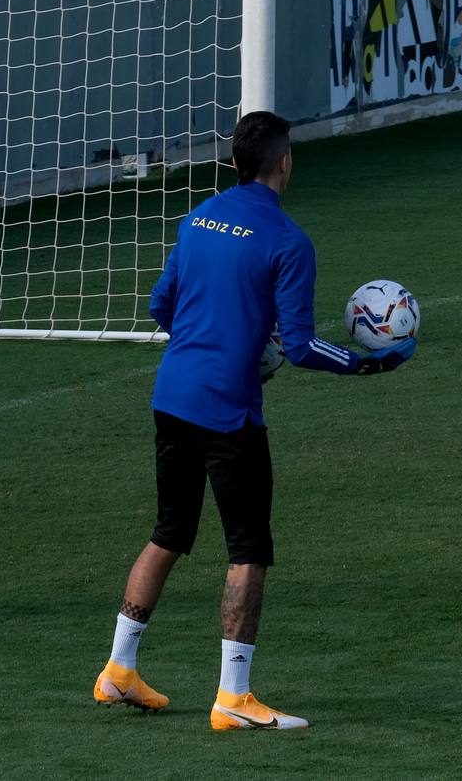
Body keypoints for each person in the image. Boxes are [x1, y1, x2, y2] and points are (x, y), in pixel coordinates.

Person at [92, 111, 417, 730]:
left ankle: (118, 670)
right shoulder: (287, 241)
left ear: (236, 163)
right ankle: (233, 698)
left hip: (172, 395)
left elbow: (162, 305)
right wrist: (368, 366)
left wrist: (213, 337)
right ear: (284, 162)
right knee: (248, 551)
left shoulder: (196, 219)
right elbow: (299, 346)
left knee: (169, 532)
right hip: (228, 412)